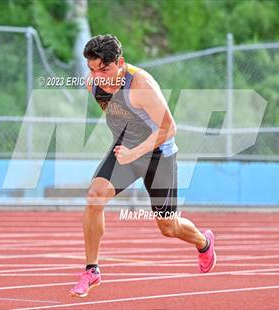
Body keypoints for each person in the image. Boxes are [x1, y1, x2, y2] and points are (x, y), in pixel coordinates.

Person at [70, 34, 216, 298]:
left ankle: (204, 242)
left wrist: (135, 152)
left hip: (159, 154)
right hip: (125, 149)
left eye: (104, 69)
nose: (98, 76)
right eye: (93, 70)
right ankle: (92, 269)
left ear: (121, 63)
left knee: (168, 227)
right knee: (95, 196)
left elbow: (169, 128)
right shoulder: (93, 83)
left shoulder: (142, 85)